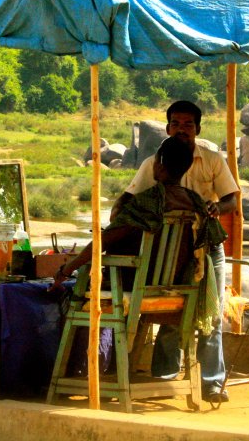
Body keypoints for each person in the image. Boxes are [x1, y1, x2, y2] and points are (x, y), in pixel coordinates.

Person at [50, 136, 224, 381]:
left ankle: (78, 374)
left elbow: (105, 239)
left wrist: (67, 269)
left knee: (75, 294)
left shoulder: (148, 201)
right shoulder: (197, 203)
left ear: (159, 166)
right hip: (183, 294)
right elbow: (212, 243)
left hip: (139, 290)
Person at [110, 100, 239, 404]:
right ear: (168, 128)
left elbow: (232, 199)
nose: (182, 129)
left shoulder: (211, 160)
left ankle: (211, 382)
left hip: (205, 247)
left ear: (198, 129)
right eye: (176, 124)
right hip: (166, 252)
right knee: (172, 308)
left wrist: (215, 207)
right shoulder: (154, 163)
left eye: (188, 124)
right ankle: (166, 374)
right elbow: (127, 200)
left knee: (211, 311)